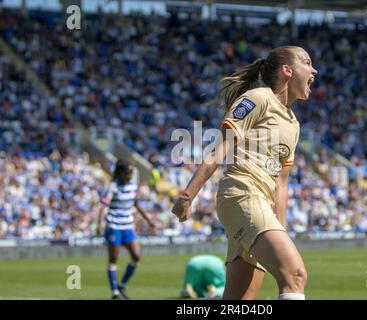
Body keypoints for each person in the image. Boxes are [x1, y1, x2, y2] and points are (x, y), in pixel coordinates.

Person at [172, 46, 317, 300]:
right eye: (307, 62)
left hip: (261, 204)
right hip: (242, 194)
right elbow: (219, 149)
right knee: (295, 276)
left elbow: (281, 182)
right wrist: (188, 196)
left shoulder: (293, 123)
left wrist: (280, 230)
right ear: (287, 70)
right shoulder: (259, 98)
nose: (314, 70)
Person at [97, 160, 155, 300]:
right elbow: (104, 205)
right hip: (114, 226)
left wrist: (149, 220)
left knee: (136, 256)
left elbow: (136, 205)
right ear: (120, 173)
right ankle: (115, 293)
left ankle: (122, 285)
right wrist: (99, 224)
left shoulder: (132, 186)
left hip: (128, 226)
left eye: (131, 173)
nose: (129, 176)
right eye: (127, 173)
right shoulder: (112, 187)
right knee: (113, 259)